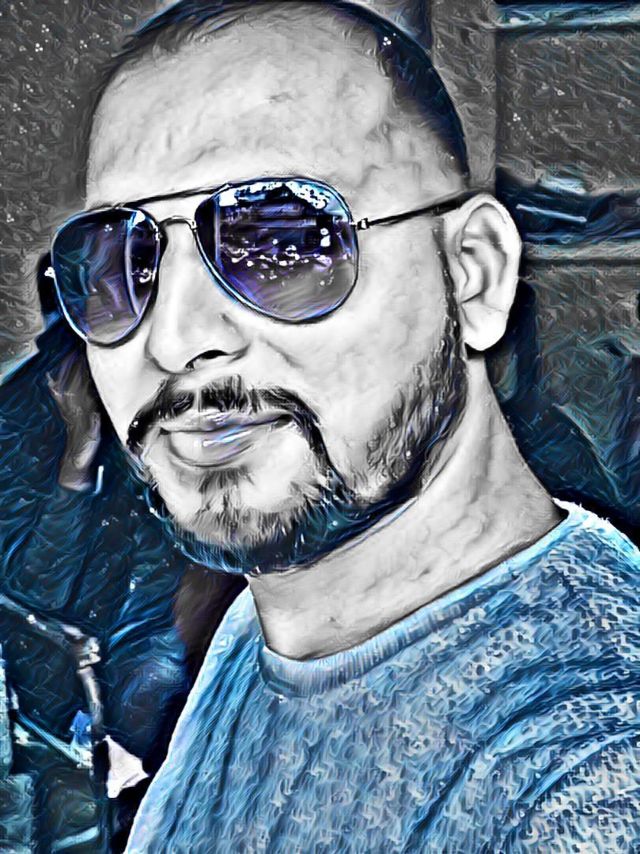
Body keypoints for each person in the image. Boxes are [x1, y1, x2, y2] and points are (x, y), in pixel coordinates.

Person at [9, 0, 640, 850]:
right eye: (123, 263)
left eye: (284, 243)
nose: (176, 338)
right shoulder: (272, 618)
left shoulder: (589, 774)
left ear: (474, 275)